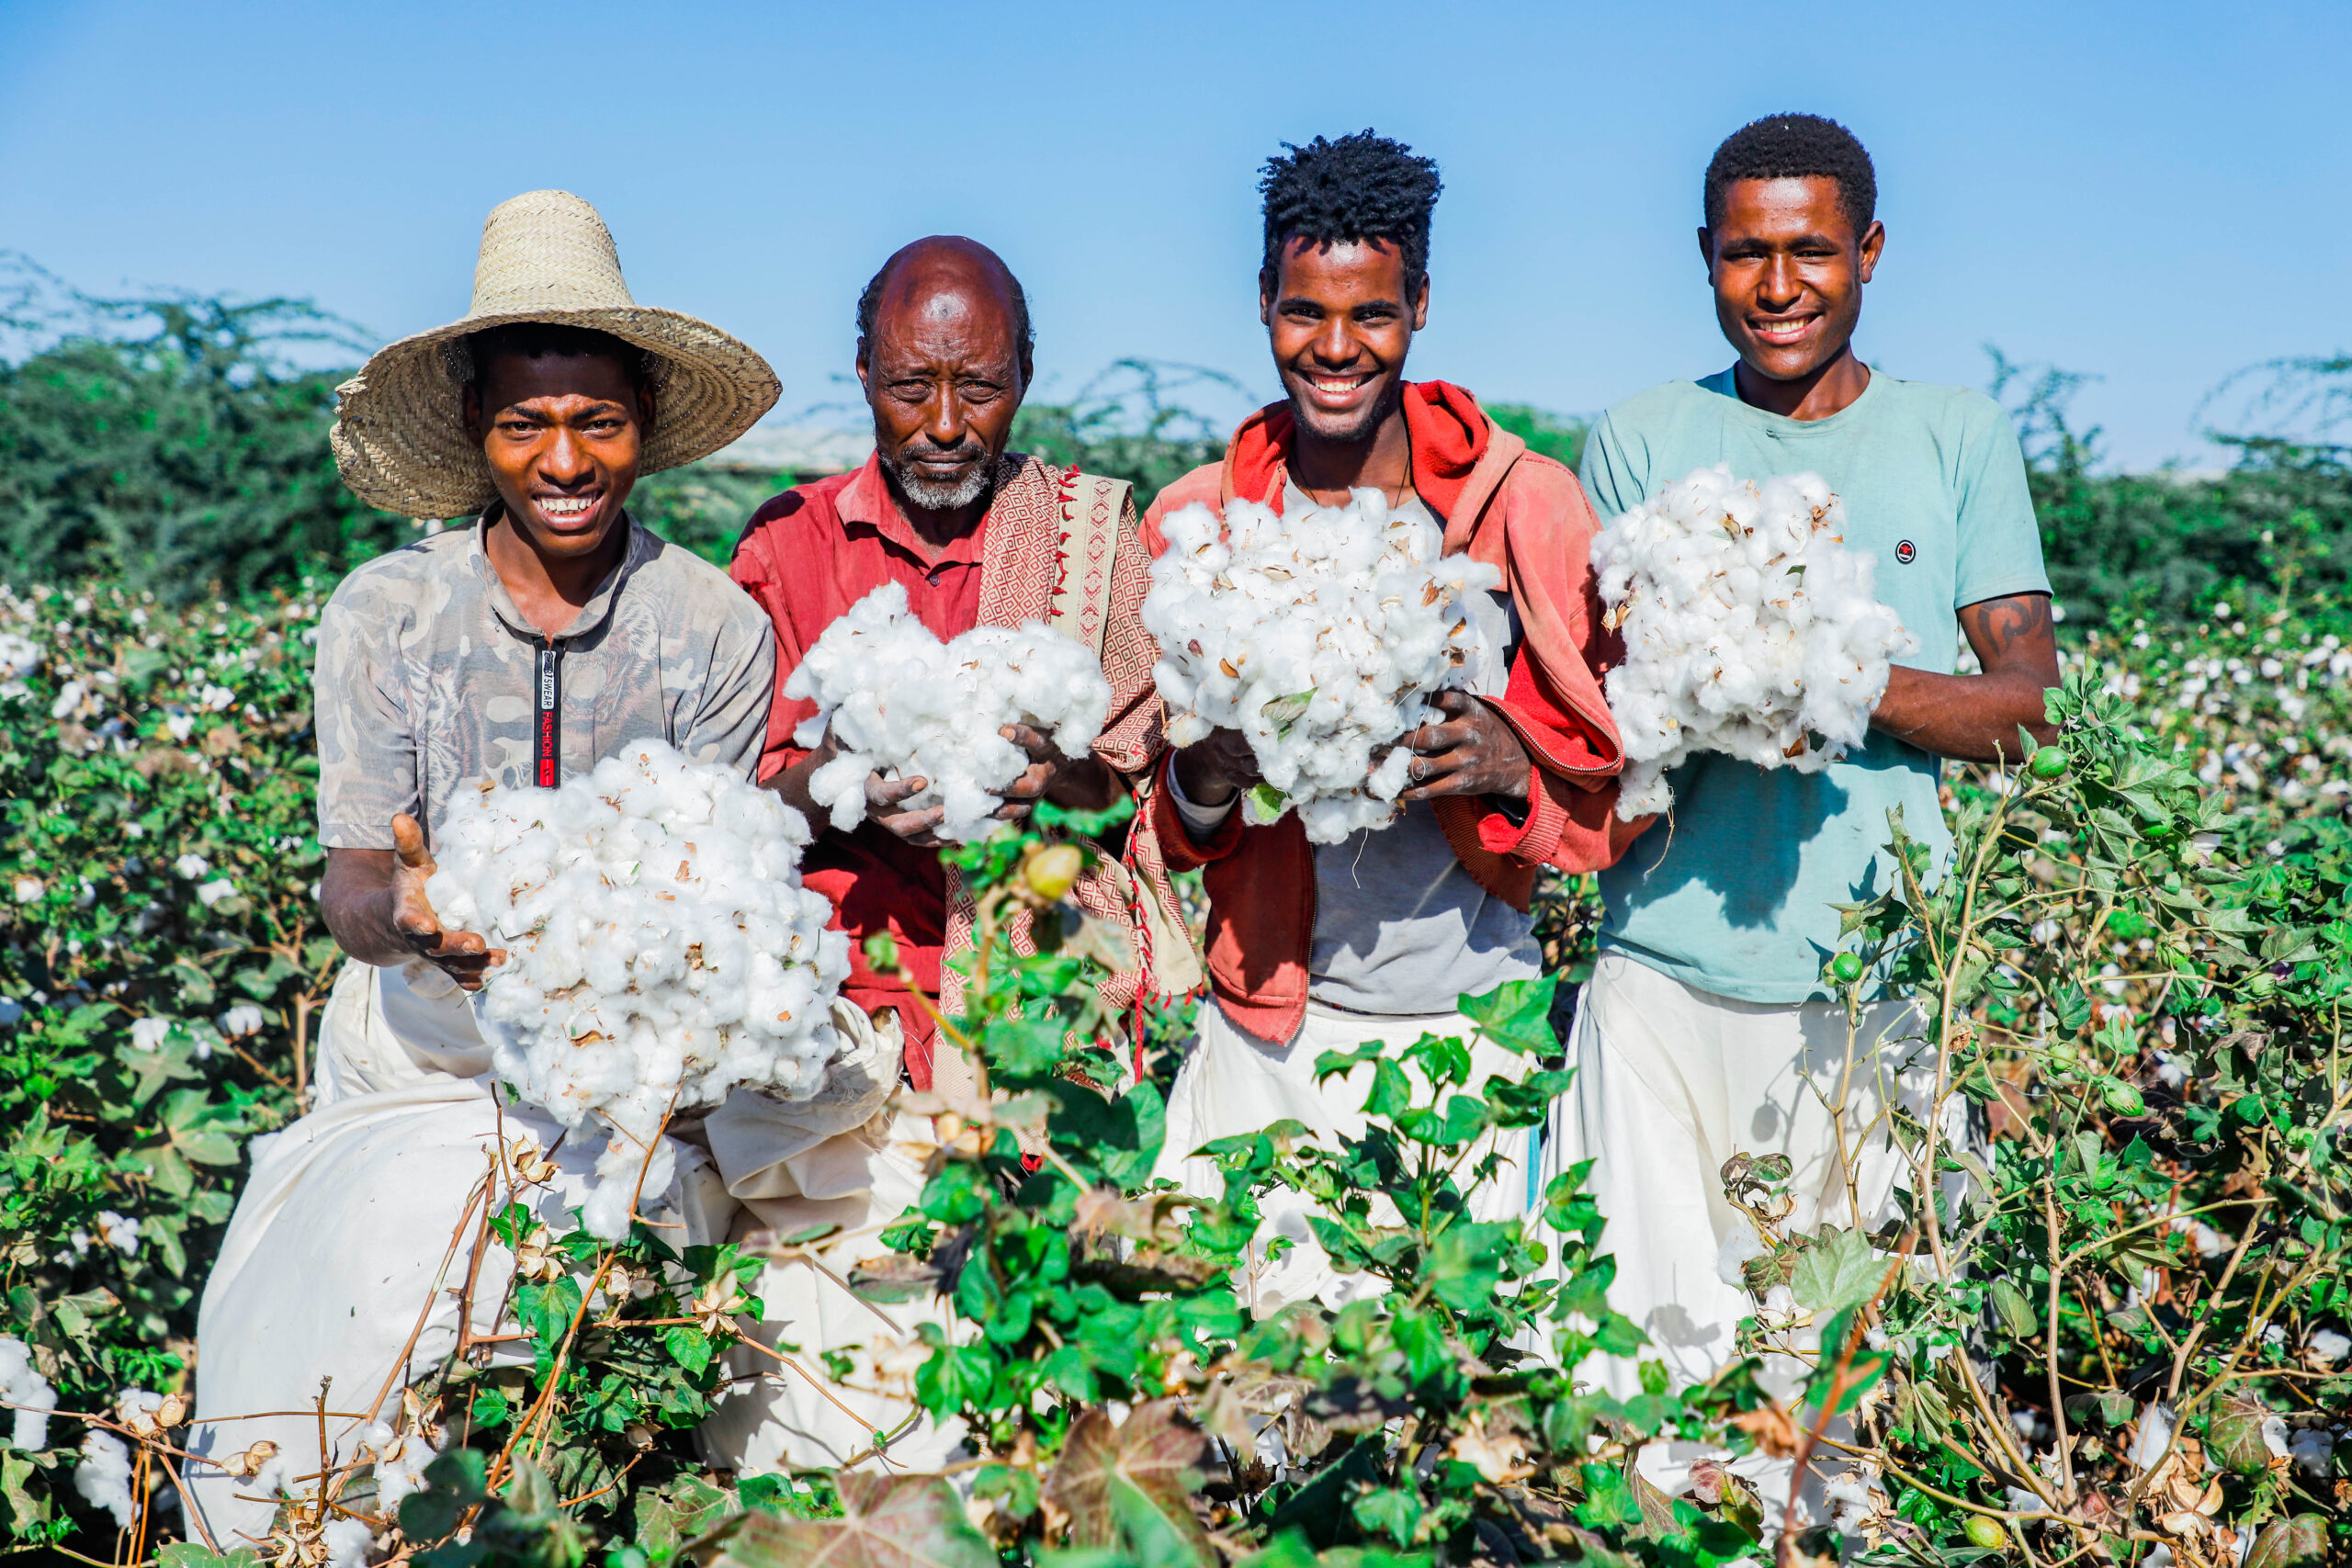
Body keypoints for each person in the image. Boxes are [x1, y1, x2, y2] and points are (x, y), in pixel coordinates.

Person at [188, 190, 797, 1544]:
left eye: (599, 419)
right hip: (420, 1050)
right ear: (476, 429)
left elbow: (717, 894)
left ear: (643, 420)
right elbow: (352, 879)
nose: (564, 456)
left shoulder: (713, 627)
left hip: (630, 1061)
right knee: (344, 1367)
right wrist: (404, 918)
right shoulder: (386, 615)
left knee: (593, 1383)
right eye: (526, 421)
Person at [1545, 114, 2058, 1395]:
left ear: (1871, 251)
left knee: (1855, 1414)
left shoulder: (1957, 437)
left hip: (1880, 997)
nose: (1778, 287)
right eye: (1746, 254)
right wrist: (1713, 682)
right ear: (1705, 258)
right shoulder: (1640, 440)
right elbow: (1595, 706)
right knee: (1640, 1391)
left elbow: (2033, 710)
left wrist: (1838, 673)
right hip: (1658, 981)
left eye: (1813, 251)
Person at [714, 234, 1195, 1467]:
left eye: (977, 387)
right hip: (846, 1044)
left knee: (1028, 1423)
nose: (941, 421)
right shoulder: (787, 548)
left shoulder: (1095, 538)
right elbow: (741, 786)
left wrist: (1054, 775)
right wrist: (846, 795)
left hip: (1038, 1023)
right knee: (833, 1423)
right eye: (906, 384)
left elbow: (1142, 785)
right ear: (862, 371)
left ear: (1025, 376)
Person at [1142, 131, 1633, 1314]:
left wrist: (1515, 764)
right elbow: (1168, 825)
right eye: (1303, 311)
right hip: (1263, 1032)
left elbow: (1613, 768)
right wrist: (1209, 763)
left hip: (1470, 1035)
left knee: (1461, 1395)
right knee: (1240, 1384)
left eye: (1371, 313)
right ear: (1263, 303)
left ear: (1419, 302)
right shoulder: (1198, 522)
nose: (1335, 347)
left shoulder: (1521, 507)